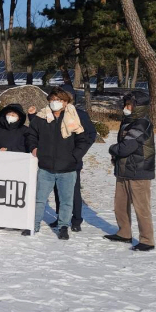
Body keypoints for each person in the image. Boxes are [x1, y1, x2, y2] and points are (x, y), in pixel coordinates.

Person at [25, 87, 91, 239]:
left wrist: (75, 156)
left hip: (67, 168)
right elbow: (31, 135)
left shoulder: (73, 118)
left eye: (60, 100)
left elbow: (84, 139)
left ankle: (63, 227)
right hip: (45, 167)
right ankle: (33, 225)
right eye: (53, 100)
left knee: (66, 201)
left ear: (66, 102)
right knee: (39, 199)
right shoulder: (41, 118)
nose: (56, 103)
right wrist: (34, 148)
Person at [105, 91, 156, 251]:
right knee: (120, 204)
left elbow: (127, 147)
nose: (126, 108)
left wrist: (112, 149)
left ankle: (147, 240)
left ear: (138, 107)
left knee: (141, 207)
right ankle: (124, 232)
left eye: (130, 105)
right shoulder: (128, 121)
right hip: (124, 170)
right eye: (125, 105)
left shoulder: (142, 123)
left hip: (138, 171)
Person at [49, 85, 97, 232]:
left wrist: (77, 154)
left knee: (73, 191)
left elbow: (90, 136)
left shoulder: (80, 114)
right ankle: (61, 217)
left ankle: (76, 220)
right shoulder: (52, 113)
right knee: (58, 190)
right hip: (55, 160)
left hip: (72, 161)